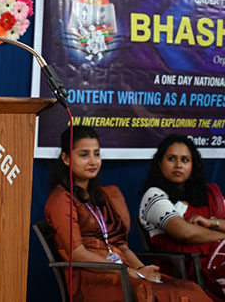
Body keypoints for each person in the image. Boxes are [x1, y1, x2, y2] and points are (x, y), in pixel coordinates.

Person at [45, 126, 209, 301]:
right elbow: (77, 254)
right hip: (91, 278)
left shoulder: (101, 196)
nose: (93, 161)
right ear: (66, 158)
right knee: (157, 294)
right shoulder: (61, 199)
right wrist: (129, 271)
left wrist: (142, 269)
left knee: (189, 289)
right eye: (84, 155)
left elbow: (122, 246)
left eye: (97, 154)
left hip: (122, 270)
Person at [140, 133, 225, 301]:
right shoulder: (154, 195)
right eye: (171, 159)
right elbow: (185, 233)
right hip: (188, 271)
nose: (178, 165)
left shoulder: (208, 195)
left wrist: (212, 223)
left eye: (185, 160)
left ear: (193, 165)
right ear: (160, 163)